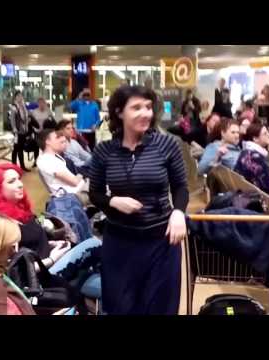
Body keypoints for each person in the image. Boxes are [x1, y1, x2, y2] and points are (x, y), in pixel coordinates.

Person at [88, 85, 188, 315]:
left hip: (160, 242)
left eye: (148, 107)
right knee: (121, 307)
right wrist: (113, 202)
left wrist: (178, 212)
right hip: (120, 243)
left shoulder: (167, 145)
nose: (145, 113)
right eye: (136, 108)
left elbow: (181, 187)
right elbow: (95, 194)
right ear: (119, 112)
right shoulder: (104, 151)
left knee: (160, 307)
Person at [0, 163, 102, 299]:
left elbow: (30, 245)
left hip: (52, 263)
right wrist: (52, 258)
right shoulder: (0, 225)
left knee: (99, 278)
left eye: (19, 179)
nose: (20, 184)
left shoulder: (21, 212)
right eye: (12, 181)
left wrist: (50, 244)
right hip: (42, 276)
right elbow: (16, 272)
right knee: (93, 244)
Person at [36, 129, 86, 195]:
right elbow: (74, 182)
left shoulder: (53, 157)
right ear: (48, 142)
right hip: (75, 195)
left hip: (78, 190)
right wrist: (81, 174)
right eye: (57, 138)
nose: (60, 141)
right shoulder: (47, 161)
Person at [235, 122, 269, 195]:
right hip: (258, 198)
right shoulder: (255, 157)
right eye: (265, 133)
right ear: (255, 139)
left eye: (268, 132)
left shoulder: (246, 152)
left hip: (245, 192)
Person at [9, 91, 30, 171]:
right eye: (18, 96)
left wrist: (27, 127)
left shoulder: (23, 106)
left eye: (21, 96)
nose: (20, 98)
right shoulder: (14, 107)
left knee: (20, 148)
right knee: (16, 148)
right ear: (15, 98)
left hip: (23, 130)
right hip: (17, 131)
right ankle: (14, 165)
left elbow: (26, 118)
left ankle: (21, 166)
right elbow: (12, 119)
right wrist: (14, 129)